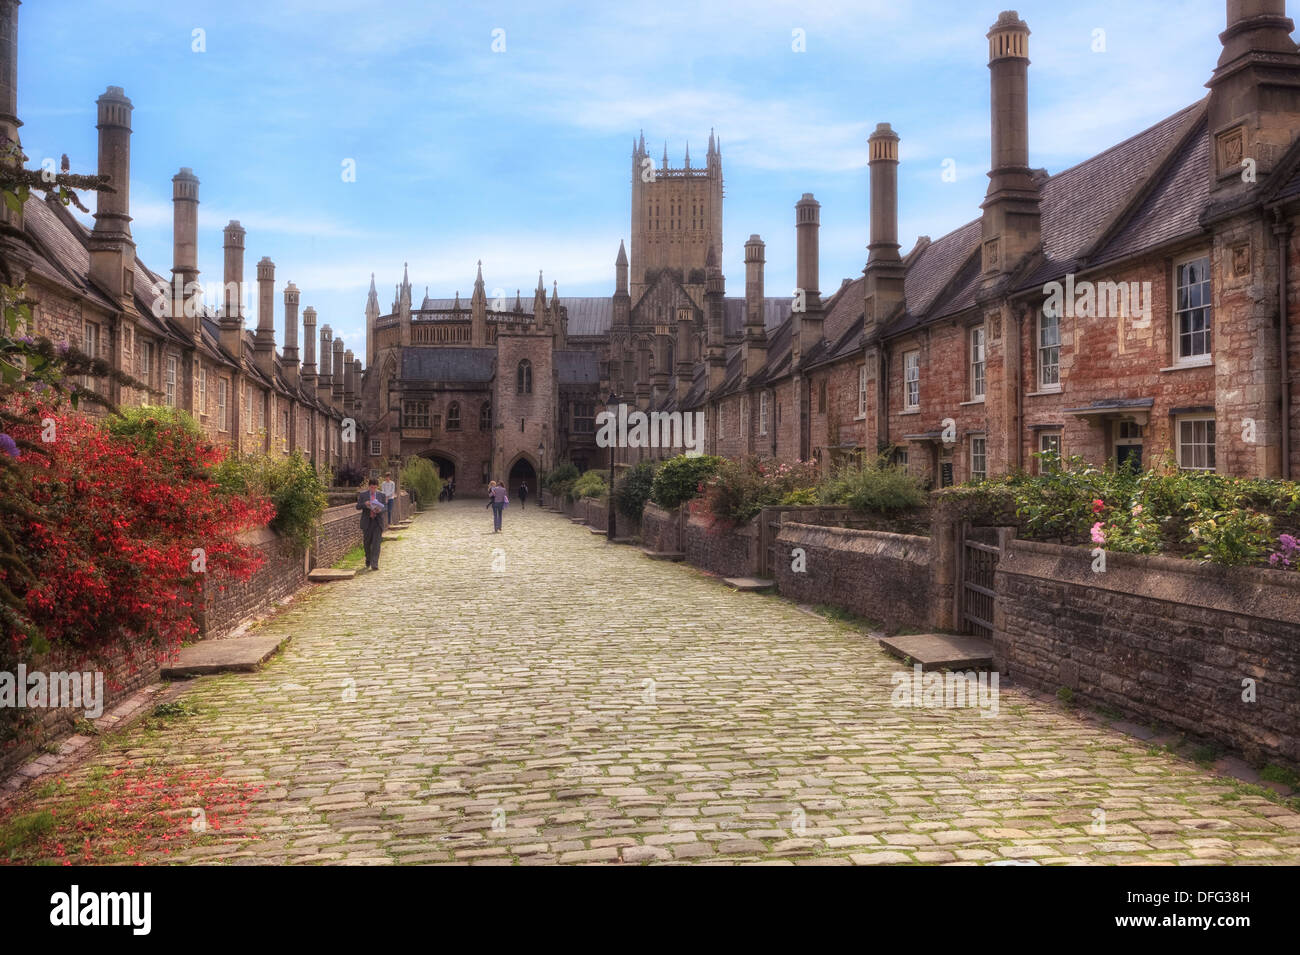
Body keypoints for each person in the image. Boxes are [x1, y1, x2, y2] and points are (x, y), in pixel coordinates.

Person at [356, 477, 387, 570]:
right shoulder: (363, 495)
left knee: (376, 544)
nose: (373, 489)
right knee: (367, 543)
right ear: (369, 487)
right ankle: (368, 559)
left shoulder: (382, 495)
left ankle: (374, 563)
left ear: (377, 487)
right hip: (367, 522)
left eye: (375, 487)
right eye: (372, 487)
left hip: (378, 522)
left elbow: (386, 507)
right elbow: (357, 506)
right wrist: (365, 504)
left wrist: (380, 509)